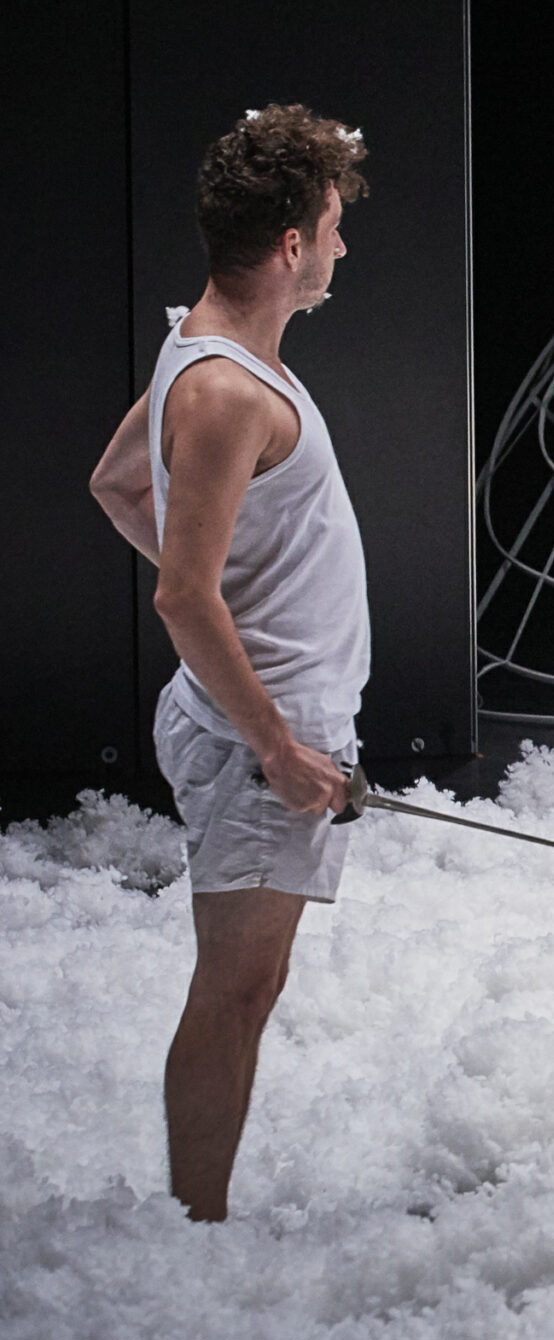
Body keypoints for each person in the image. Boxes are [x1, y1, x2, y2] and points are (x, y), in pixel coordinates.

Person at [87, 105, 371, 1222]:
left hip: (268, 728)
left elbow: (118, 486)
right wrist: (277, 745)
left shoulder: (209, 353)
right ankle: (195, 1232)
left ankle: (197, 1221)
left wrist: (233, 611)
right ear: (291, 245)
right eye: (333, 225)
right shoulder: (221, 391)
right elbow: (181, 594)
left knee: (253, 981)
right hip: (265, 748)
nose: (342, 244)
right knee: (236, 991)